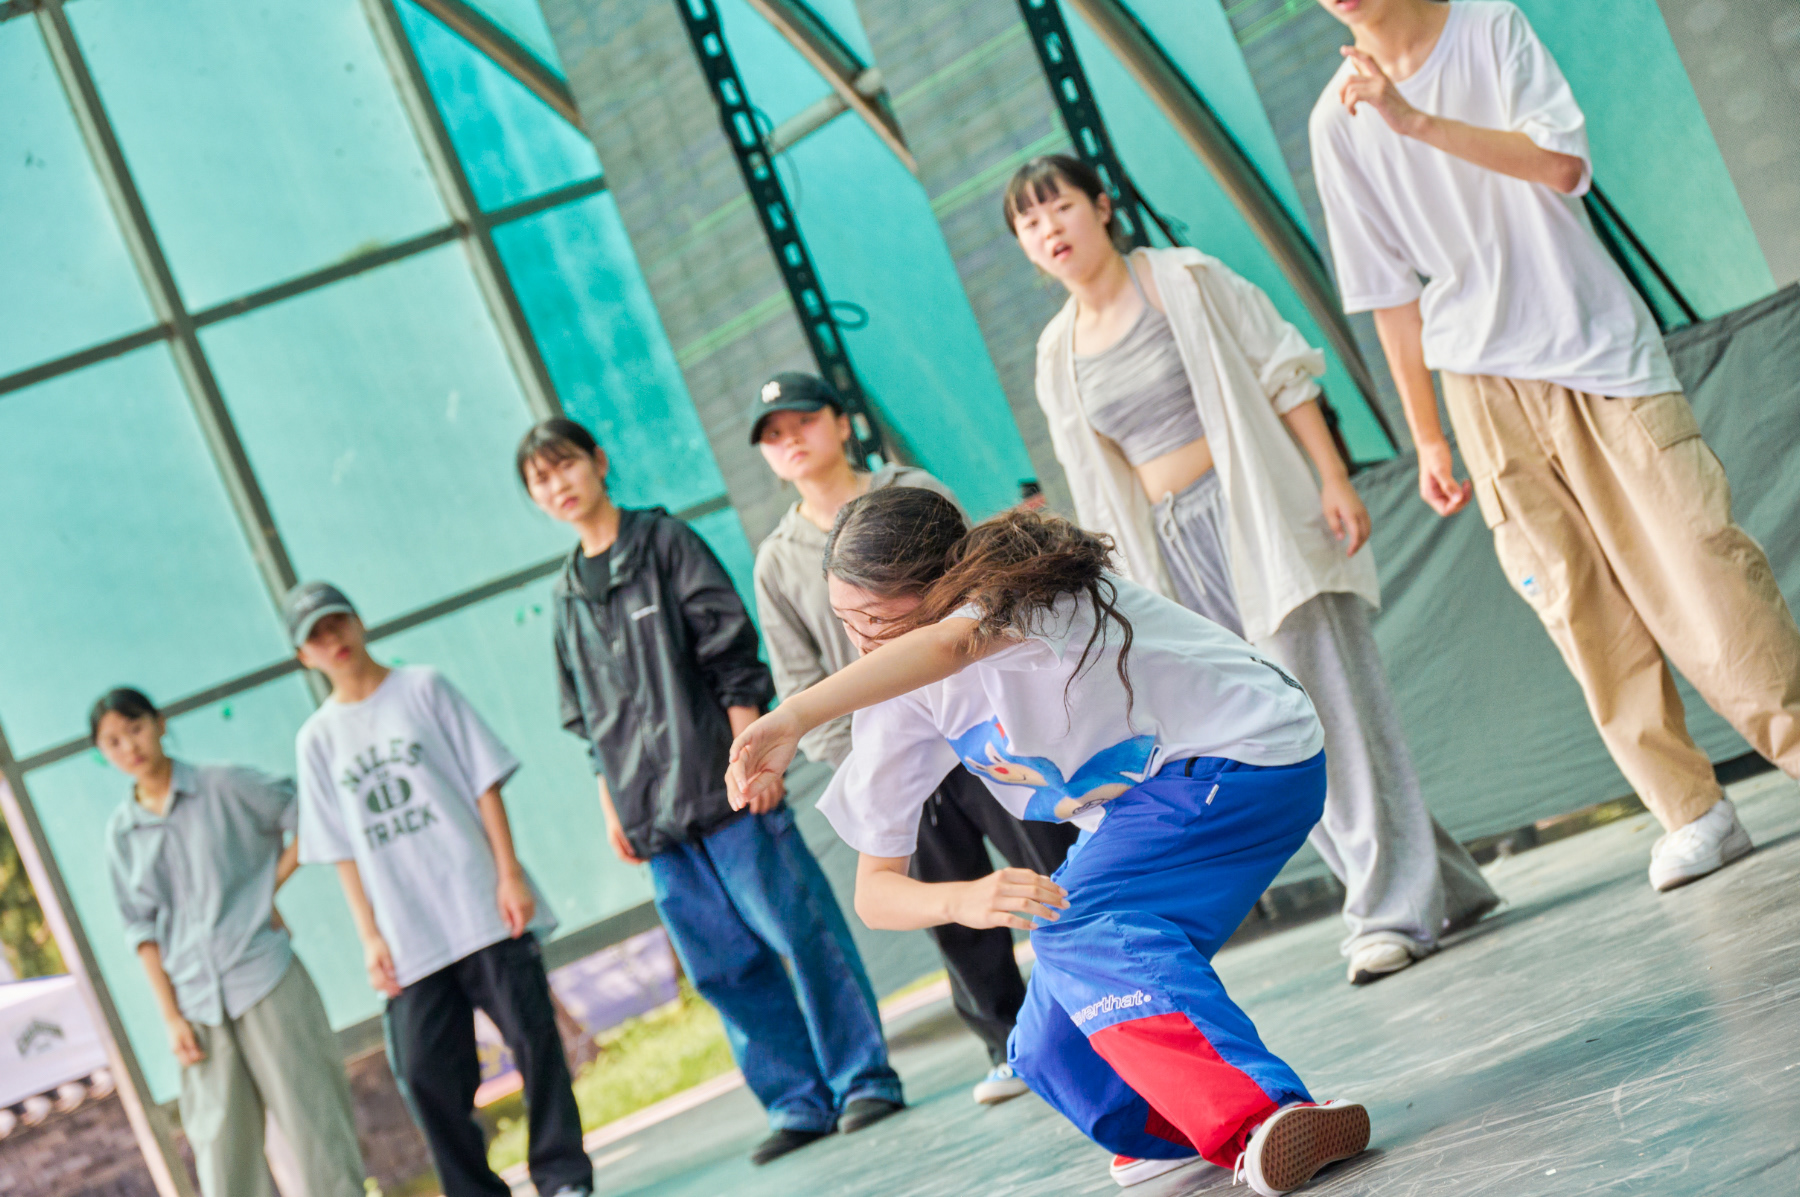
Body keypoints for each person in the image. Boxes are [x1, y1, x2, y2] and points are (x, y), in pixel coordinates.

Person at [726, 488, 1373, 1195]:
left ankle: (1263, 1115)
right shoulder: (893, 699)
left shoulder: (1023, 594)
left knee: (1078, 924)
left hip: (1243, 755)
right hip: (1149, 804)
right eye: (845, 621)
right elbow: (874, 894)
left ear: (943, 583)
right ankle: (1170, 1130)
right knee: (1044, 1045)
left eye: (876, 619)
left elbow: (949, 645)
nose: (860, 642)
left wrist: (793, 715)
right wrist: (966, 898)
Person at [1307, 0, 1800, 891]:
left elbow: (1561, 163)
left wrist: (1414, 120)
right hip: (1477, 384)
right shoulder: (1334, 120)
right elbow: (1389, 292)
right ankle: (1692, 812)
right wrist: (1427, 434)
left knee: (1702, 561)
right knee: (1578, 608)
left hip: (1595, 346)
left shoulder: (1489, 26)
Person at [1006, 153, 1497, 1006]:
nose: (1049, 229)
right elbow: (1093, 480)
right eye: (1029, 221)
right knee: (1255, 734)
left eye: (1061, 207)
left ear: (1103, 206)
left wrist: (1332, 477)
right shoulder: (1056, 352)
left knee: (1331, 714)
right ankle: (1438, 884)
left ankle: (1387, 911)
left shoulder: (1185, 280)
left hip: (1260, 515)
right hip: (1168, 553)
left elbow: (1282, 371)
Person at [516, 417, 904, 1165]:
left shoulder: (665, 543)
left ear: (599, 461)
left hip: (726, 791)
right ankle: (797, 1102)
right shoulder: (565, 595)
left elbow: (731, 653)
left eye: (565, 465)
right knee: (722, 969)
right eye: (541, 479)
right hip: (652, 818)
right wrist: (612, 807)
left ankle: (863, 1078)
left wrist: (751, 756)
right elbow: (590, 722)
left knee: (801, 934)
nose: (558, 484)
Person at [749, 371, 1079, 1107]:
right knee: (947, 901)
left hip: (984, 725)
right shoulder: (776, 558)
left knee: (1052, 862)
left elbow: (978, 596)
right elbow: (797, 673)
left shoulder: (913, 491)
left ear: (841, 422)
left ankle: (1098, 1002)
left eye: (802, 421)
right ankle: (1007, 1042)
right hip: (895, 754)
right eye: (773, 435)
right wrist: (870, 762)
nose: (790, 440)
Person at [286, 583, 592, 1197]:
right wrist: (369, 935)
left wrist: (508, 873)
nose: (332, 640)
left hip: (483, 904)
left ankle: (561, 1176)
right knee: (425, 1073)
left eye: (336, 622)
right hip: (408, 933)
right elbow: (340, 848)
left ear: (358, 621)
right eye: (315, 636)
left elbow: (484, 783)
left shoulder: (423, 688)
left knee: (534, 1042)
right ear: (304, 656)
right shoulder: (317, 739)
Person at [98, 688, 367, 1197]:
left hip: (264, 974)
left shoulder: (223, 784)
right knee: (223, 1156)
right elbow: (141, 931)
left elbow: (311, 814)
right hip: (195, 1002)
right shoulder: (122, 834)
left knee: (316, 1127)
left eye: (135, 728)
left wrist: (267, 889)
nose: (129, 746)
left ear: (159, 723)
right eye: (112, 741)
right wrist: (171, 1017)